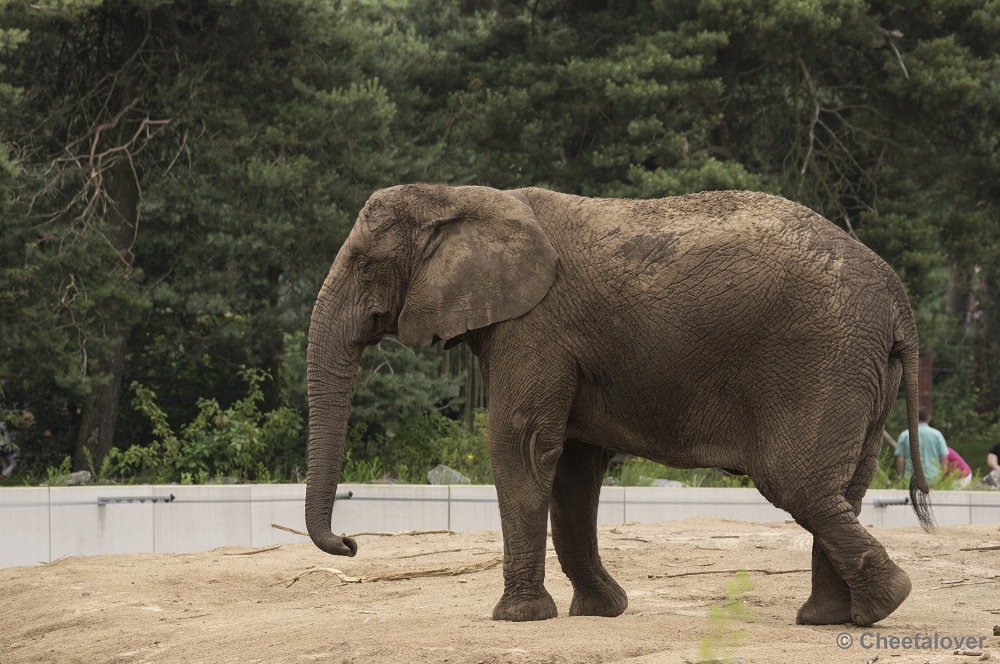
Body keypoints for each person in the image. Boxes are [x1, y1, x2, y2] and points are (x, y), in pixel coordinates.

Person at [896, 409, 948, 484]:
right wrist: (942, 476)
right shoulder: (937, 435)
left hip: (911, 478)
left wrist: (901, 476)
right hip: (933, 477)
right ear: (928, 419)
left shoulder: (905, 435)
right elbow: (944, 457)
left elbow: (900, 458)